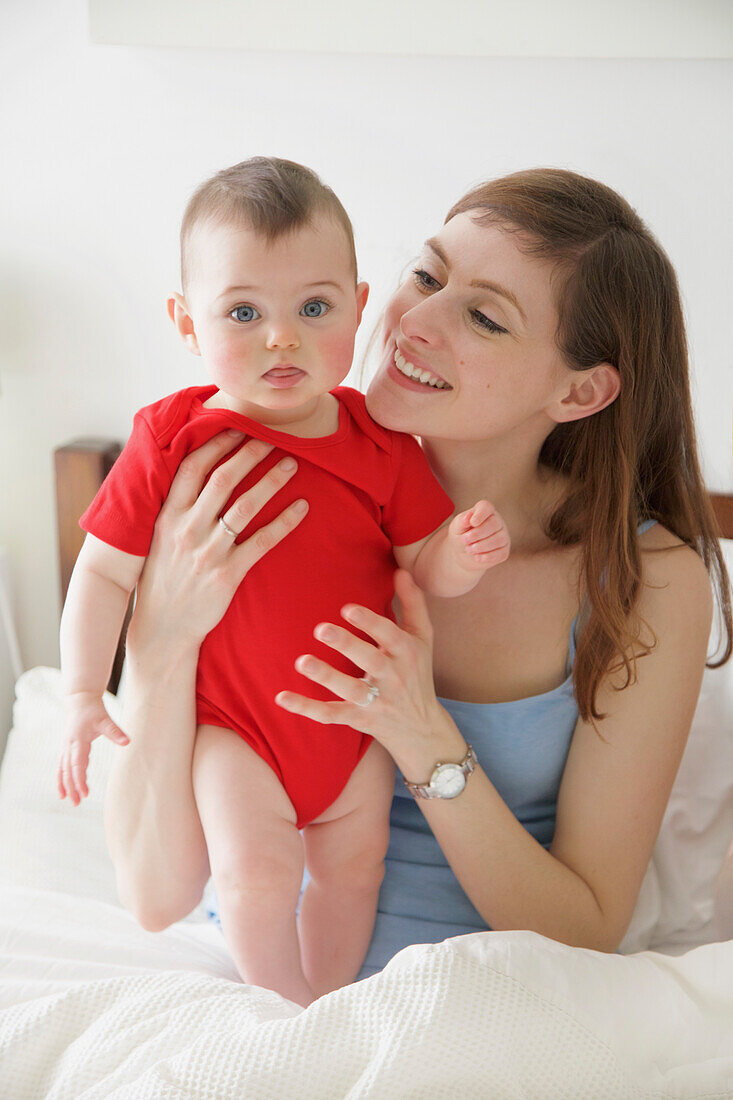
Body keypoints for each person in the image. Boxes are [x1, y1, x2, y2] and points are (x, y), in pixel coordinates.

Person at [103, 166, 732, 1001]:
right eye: (427, 275)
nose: (414, 322)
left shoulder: (646, 581)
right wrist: (159, 645)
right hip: (261, 981)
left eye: (482, 316)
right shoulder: (234, 487)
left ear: (579, 390)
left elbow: (586, 926)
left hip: (477, 996)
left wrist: (421, 731)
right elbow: (155, 897)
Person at [56, 157, 510, 1009]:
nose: (281, 338)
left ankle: (323, 1006)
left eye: (312, 307)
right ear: (187, 324)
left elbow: (422, 567)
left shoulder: (382, 446)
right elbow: (103, 572)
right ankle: (276, 1003)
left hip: (351, 720)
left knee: (352, 867)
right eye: (243, 312)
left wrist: (463, 551)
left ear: (358, 304)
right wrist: (84, 690)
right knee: (256, 871)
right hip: (238, 731)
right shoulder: (169, 438)